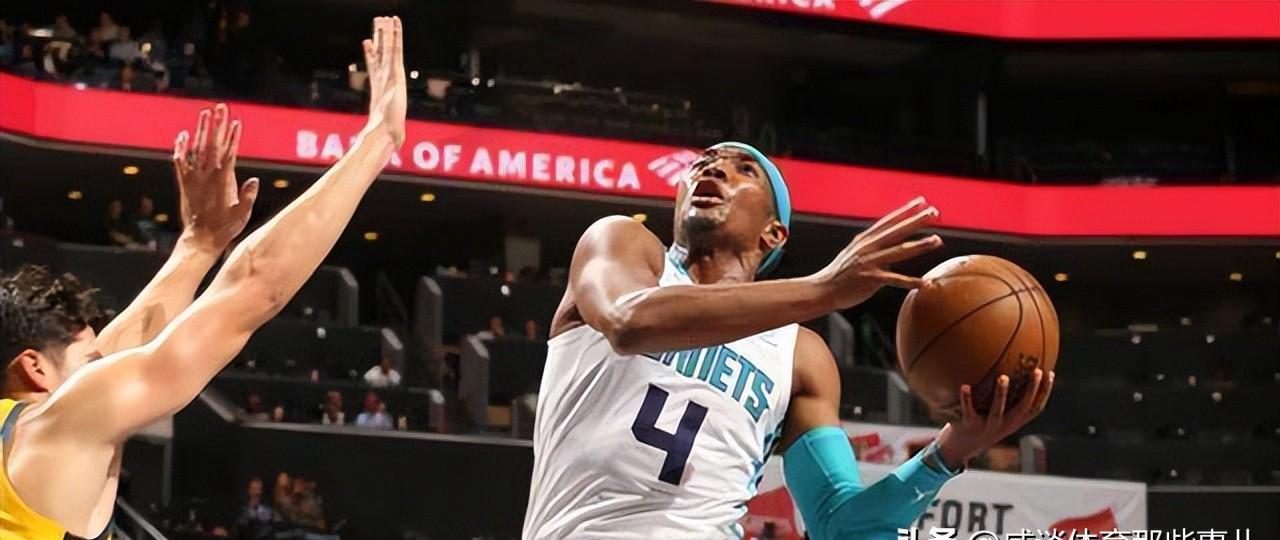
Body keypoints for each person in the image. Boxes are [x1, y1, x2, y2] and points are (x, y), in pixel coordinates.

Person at [0, 17, 406, 539]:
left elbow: (131, 343)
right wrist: (378, 141)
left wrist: (199, 245)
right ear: (34, 367)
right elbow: (255, 286)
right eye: (89, 361)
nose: (105, 367)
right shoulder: (56, 426)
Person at [522, 144, 1056, 539]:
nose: (713, 168)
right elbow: (628, 322)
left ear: (774, 233)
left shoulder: (799, 355)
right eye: (705, 162)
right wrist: (824, 289)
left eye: (743, 169)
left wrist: (952, 450)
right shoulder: (623, 244)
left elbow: (839, 526)